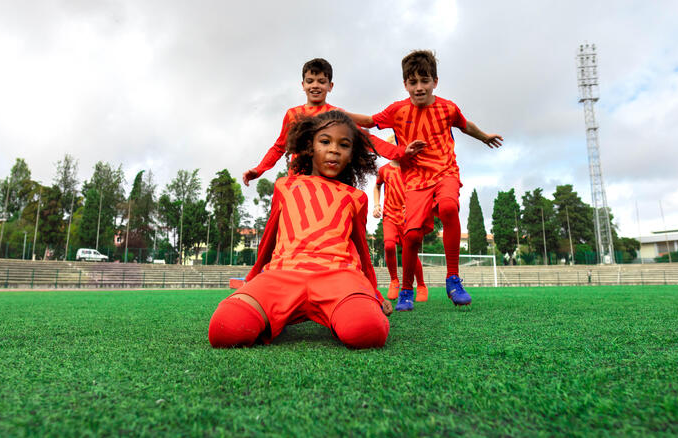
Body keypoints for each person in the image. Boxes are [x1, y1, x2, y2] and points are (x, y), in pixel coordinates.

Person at [209, 110, 395, 349]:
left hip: (338, 277)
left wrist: (375, 294)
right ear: (309, 147)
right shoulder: (284, 186)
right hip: (282, 275)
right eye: (325, 141)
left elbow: (362, 253)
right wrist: (252, 279)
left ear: (352, 155)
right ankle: (277, 314)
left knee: (367, 331)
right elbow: (268, 241)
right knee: (224, 329)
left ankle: (340, 311)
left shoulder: (356, 197)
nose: (334, 149)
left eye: (344, 144)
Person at [348, 50, 503, 311]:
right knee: (411, 237)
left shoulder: (448, 108)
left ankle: (453, 279)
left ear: (435, 81)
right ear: (405, 84)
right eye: (413, 82)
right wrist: (334, 112)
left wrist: (485, 136)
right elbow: (369, 121)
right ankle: (406, 289)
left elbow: (466, 126)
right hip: (416, 180)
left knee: (449, 207)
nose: (419, 88)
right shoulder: (397, 111)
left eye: (425, 81)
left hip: (445, 172)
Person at [242, 58, 410, 187]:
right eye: (310, 81)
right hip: (299, 181)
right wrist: (259, 170)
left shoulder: (337, 115)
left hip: (330, 181)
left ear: (330, 86)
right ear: (303, 85)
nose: (315, 86)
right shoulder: (293, 114)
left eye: (321, 82)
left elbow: (365, 139)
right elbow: (279, 147)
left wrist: (400, 153)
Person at [373, 157, 427, 301]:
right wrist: (376, 205)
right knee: (389, 245)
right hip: (389, 215)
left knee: (410, 252)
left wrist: (413, 206)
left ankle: (421, 285)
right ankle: (394, 281)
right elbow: (377, 186)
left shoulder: (412, 168)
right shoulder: (384, 170)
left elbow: (421, 189)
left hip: (408, 217)